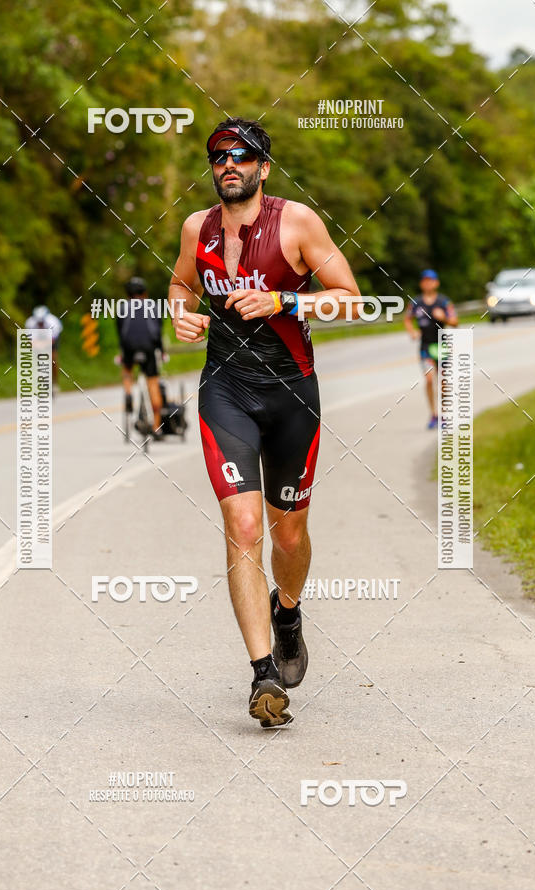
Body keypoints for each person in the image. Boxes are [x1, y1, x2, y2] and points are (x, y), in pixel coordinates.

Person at [168, 117, 361, 728]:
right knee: (243, 525)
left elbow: (352, 299)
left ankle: (289, 613)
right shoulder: (196, 227)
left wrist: (284, 300)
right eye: (219, 156)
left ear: (264, 167)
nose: (229, 164)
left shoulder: (297, 222)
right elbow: (181, 283)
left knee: (289, 536)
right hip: (225, 391)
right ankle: (262, 675)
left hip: (291, 394)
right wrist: (180, 313)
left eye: (242, 155)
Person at [404, 269, 458, 429]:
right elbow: (407, 319)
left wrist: (444, 318)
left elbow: (455, 322)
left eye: (430, 280)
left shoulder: (444, 302)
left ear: (436, 283)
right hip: (425, 347)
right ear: (421, 284)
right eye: (425, 280)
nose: (427, 283)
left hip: (441, 345)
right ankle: (433, 414)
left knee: (443, 382)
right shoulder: (415, 303)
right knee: (429, 379)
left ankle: (444, 415)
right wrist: (412, 332)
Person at [117, 276, 164, 440]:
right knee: (153, 382)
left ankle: (128, 392)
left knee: (127, 369)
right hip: (149, 347)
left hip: (129, 348)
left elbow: (121, 334)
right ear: (145, 293)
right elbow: (158, 332)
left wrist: (123, 352)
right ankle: (156, 426)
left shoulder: (122, 307)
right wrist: (161, 351)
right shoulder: (153, 306)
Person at [24, 305, 63, 387]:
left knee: (53, 359)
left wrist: (43, 346)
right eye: (39, 322)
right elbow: (30, 341)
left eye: (42, 322)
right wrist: (37, 347)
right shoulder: (30, 323)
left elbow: (52, 340)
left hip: (51, 338)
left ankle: (55, 382)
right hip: (37, 339)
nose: (40, 323)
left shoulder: (53, 322)